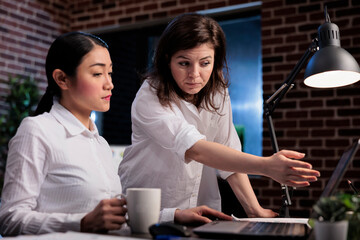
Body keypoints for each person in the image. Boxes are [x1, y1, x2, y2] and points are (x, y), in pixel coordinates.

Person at [0, 32, 230, 236]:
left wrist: (175, 215)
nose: (109, 84)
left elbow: (117, 216)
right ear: (62, 79)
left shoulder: (98, 142)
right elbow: (10, 219)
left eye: (110, 73)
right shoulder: (37, 131)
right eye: (98, 73)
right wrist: (81, 222)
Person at [118, 13, 321, 223]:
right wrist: (266, 166)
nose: (195, 74)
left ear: (215, 61)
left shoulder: (217, 91)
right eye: (184, 63)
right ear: (167, 59)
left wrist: (254, 210)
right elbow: (195, 148)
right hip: (148, 213)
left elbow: (228, 150)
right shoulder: (150, 95)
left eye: (205, 63)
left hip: (200, 214)